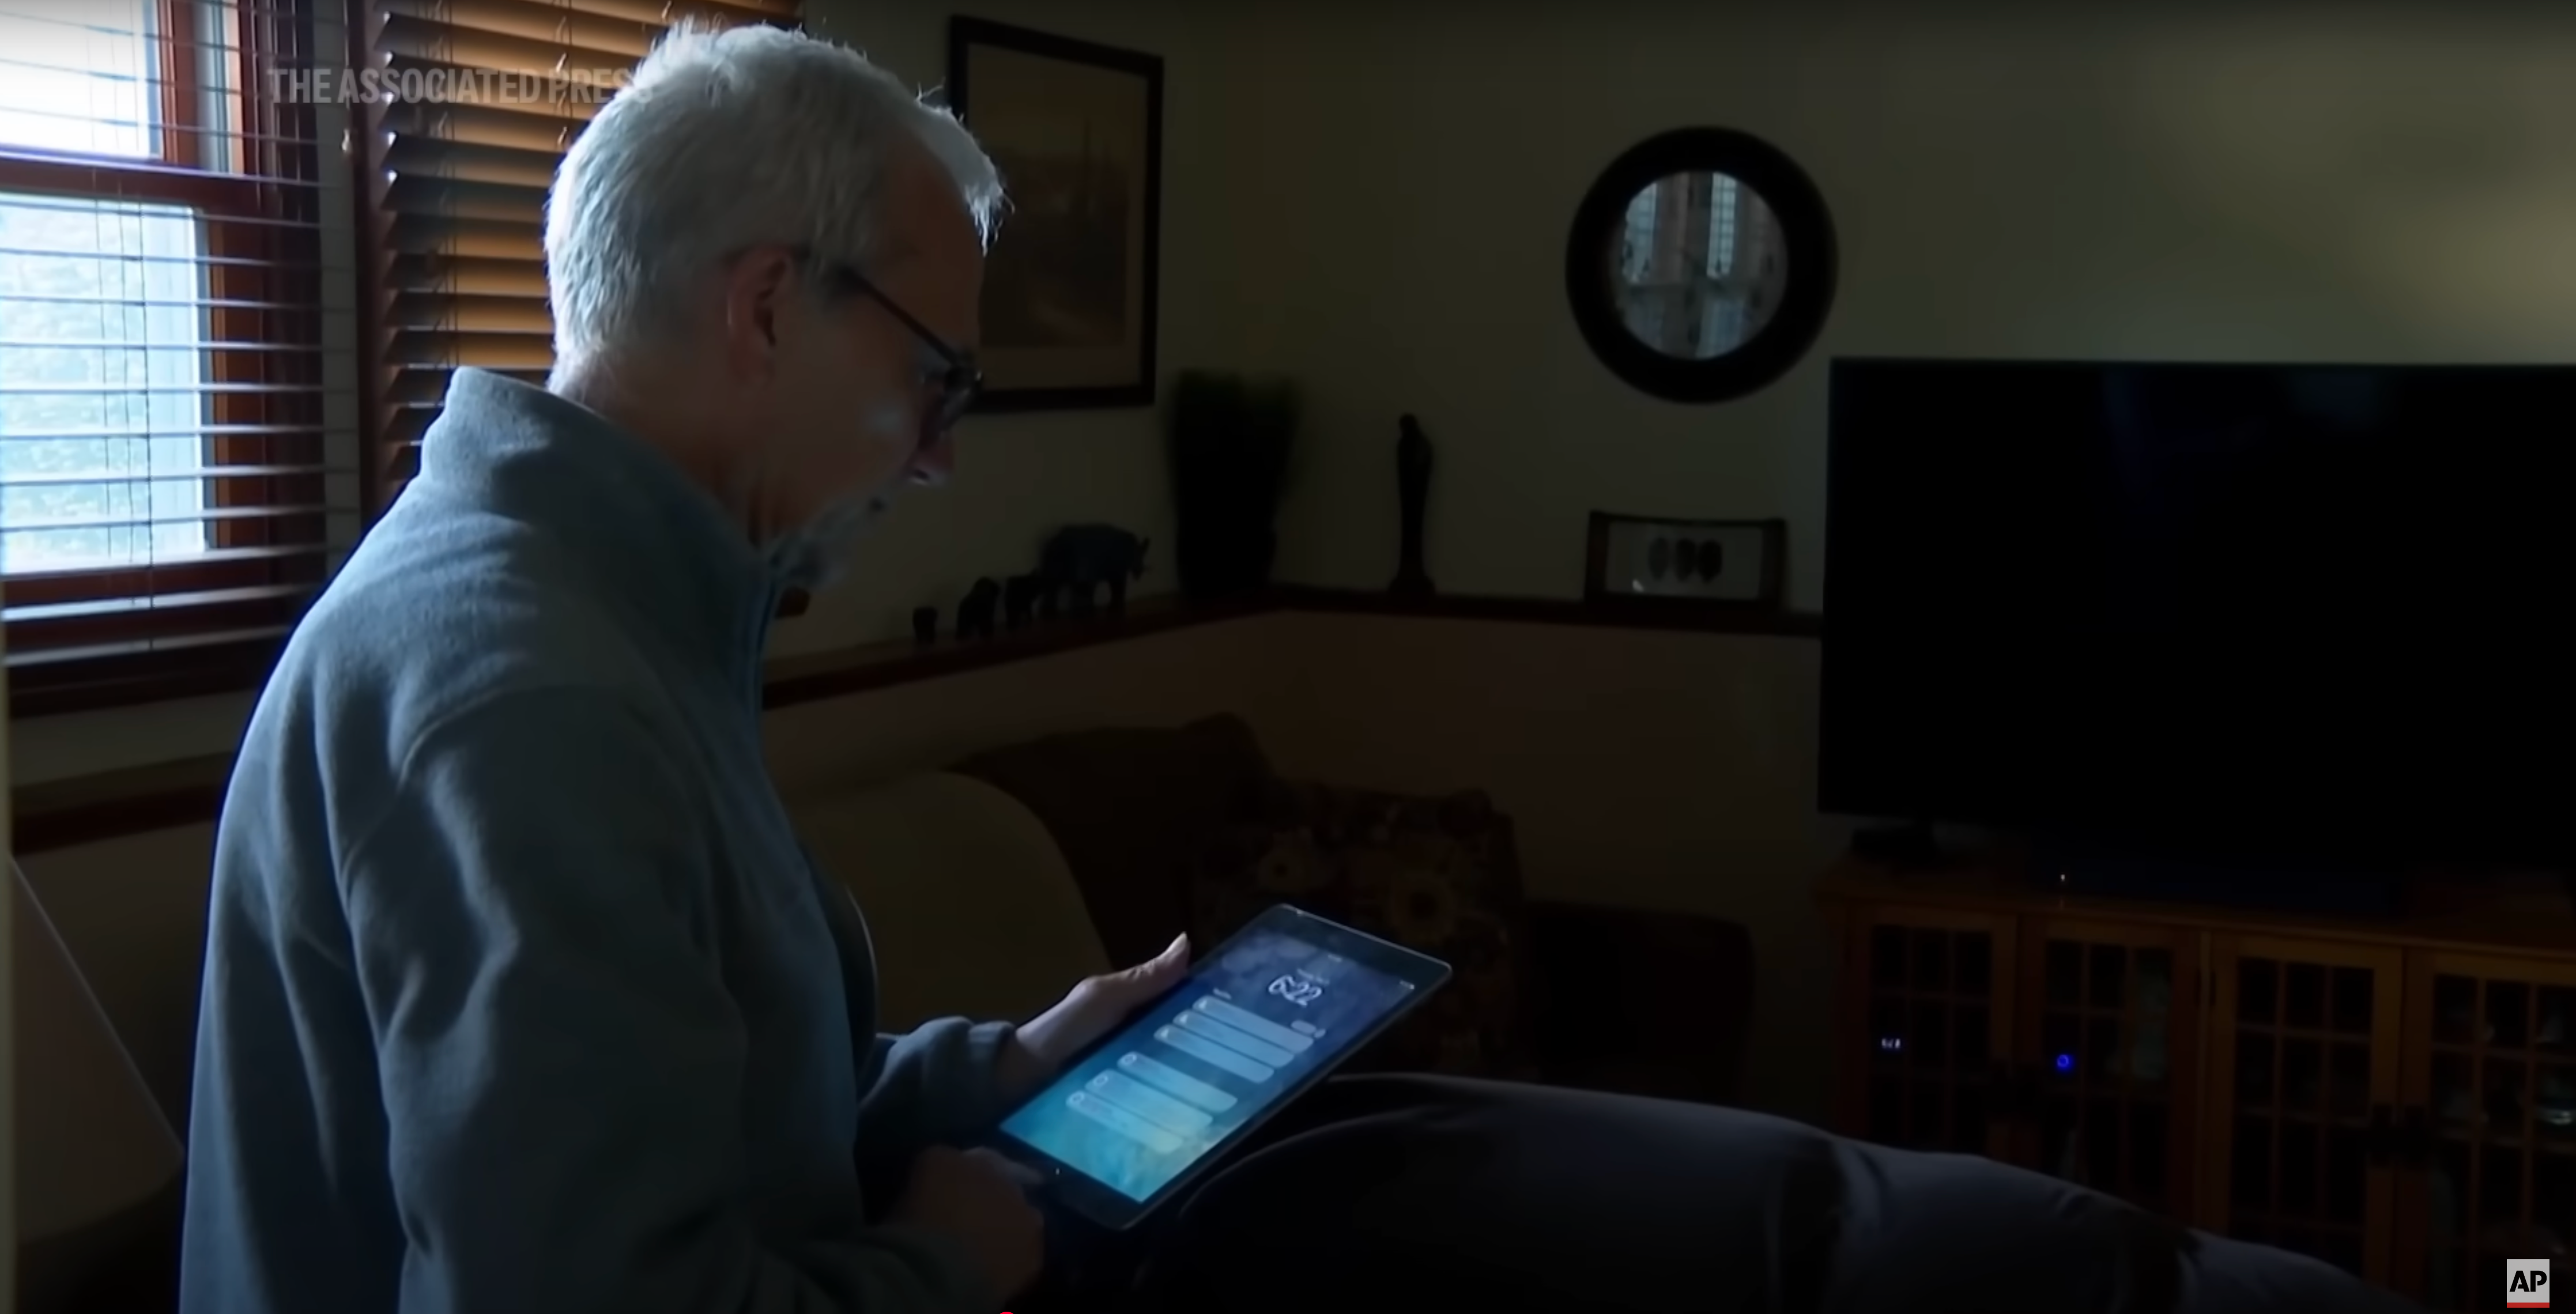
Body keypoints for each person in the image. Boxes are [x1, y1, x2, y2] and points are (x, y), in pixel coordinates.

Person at [178, 22, 2426, 1314]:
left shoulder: (605, 615)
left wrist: (988, 1069)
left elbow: (700, 1124)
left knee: (1461, 1160)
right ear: (769, 305)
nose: (938, 457)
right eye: (940, 381)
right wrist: (945, 1260)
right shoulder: (527, 693)